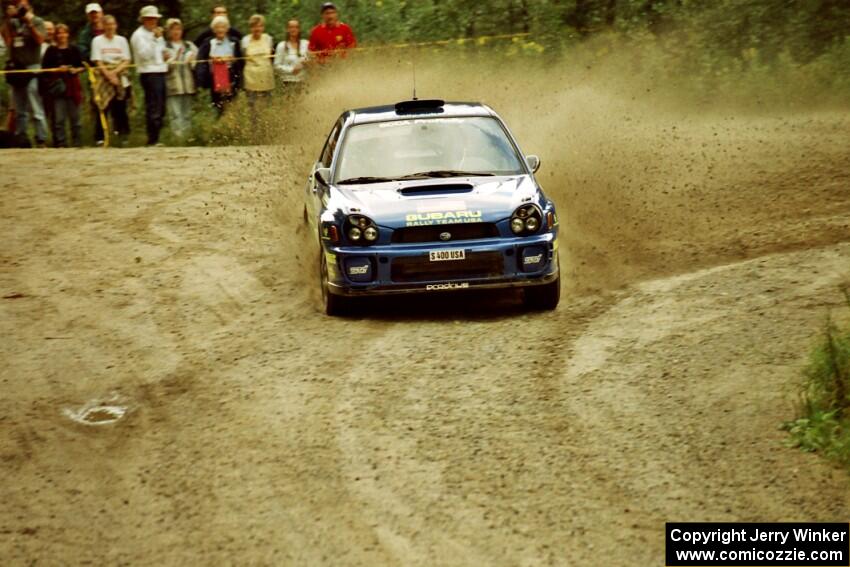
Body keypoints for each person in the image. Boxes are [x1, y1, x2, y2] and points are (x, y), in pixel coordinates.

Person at [1, 0, 48, 147]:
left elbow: (40, 40)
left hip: (32, 66)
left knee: (34, 103)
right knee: (19, 106)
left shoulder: (38, 21)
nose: (20, 10)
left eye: (23, 7)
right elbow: (8, 41)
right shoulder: (13, 23)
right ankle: (21, 139)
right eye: (18, 7)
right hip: (17, 68)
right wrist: (9, 20)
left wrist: (29, 23)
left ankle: (41, 138)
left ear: (30, 8)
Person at [90, 14, 131, 145]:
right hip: (103, 75)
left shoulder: (122, 40)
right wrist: (108, 75)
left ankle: (123, 135)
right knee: (102, 106)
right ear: (103, 26)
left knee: (120, 107)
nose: (110, 27)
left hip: (119, 74)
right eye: (107, 24)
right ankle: (100, 137)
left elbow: (127, 60)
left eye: (112, 24)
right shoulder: (97, 40)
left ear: (116, 25)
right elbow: (97, 60)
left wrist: (114, 73)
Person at [131, 5, 168, 146]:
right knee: (154, 106)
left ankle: (156, 137)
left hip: (160, 70)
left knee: (161, 106)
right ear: (144, 20)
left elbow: (161, 51)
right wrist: (154, 39)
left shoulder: (157, 34)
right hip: (149, 72)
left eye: (155, 19)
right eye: (150, 19)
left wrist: (166, 55)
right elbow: (144, 55)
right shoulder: (138, 35)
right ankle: (152, 139)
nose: (154, 22)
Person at [42, 23, 83, 147]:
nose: (61, 35)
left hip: (73, 86)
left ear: (68, 34)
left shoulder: (74, 49)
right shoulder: (51, 50)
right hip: (58, 87)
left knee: (75, 118)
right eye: (59, 33)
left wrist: (75, 70)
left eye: (63, 32)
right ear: (56, 35)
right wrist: (57, 70)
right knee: (59, 119)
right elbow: (45, 69)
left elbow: (82, 66)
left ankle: (77, 143)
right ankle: (61, 143)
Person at [195, 16, 242, 116]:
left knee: (231, 104)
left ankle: (232, 126)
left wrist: (233, 60)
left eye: (223, 27)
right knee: (217, 105)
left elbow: (240, 60)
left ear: (227, 28)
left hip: (231, 77)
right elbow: (202, 61)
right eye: (218, 27)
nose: (220, 30)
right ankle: (219, 127)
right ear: (214, 29)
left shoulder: (233, 42)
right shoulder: (208, 43)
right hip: (214, 79)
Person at [163, 18, 197, 140]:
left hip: (188, 84)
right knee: (175, 114)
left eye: (178, 29)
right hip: (173, 85)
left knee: (187, 114)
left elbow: (197, 64)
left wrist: (192, 61)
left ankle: (187, 137)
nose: (176, 32)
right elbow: (164, 67)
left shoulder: (189, 45)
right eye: (173, 29)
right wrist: (175, 58)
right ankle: (177, 138)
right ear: (168, 31)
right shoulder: (164, 46)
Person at [241, 14, 274, 132]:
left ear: (263, 27)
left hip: (266, 76)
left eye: (259, 26)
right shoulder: (245, 40)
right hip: (251, 77)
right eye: (254, 26)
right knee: (253, 108)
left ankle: (267, 131)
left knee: (266, 106)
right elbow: (243, 56)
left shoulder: (268, 39)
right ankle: (255, 132)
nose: (257, 29)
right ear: (250, 28)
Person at [77, 3, 104, 144]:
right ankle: (99, 136)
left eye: (96, 13)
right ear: (88, 16)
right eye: (91, 13)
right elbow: (82, 52)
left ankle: (121, 134)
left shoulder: (109, 27)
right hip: (95, 71)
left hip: (112, 70)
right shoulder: (85, 34)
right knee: (97, 102)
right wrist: (96, 58)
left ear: (101, 13)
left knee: (119, 102)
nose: (94, 16)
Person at [274, 19, 309, 88]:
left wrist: (307, 62)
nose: (294, 29)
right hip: (288, 82)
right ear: (287, 29)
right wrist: (291, 70)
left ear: (299, 29)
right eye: (291, 27)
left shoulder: (306, 43)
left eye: (296, 27)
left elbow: (312, 59)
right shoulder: (282, 46)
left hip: (304, 82)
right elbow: (276, 66)